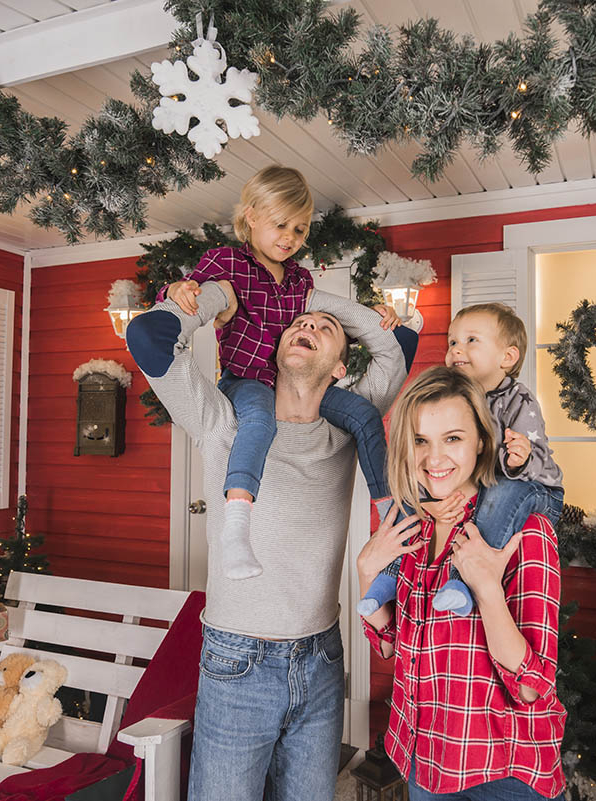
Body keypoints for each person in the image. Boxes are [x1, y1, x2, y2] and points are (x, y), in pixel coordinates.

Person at [126, 279, 408, 801]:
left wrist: (306, 301)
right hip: (238, 663)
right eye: (299, 324)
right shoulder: (221, 420)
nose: (307, 326)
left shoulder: (345, 430)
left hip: (321, 658)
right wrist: (214, 297)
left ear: (341, 369)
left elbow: (403, 342)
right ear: (273, 352)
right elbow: (146, 336)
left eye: (324, 330)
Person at [162, 164, 411, 580]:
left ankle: (392, 516)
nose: (290, 239)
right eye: (281, 225)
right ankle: (237, 526)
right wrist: (176, 291)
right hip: (247, 381)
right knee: (258, 423)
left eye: (300, 230)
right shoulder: (228, 263)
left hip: (295, 382)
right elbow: (187, 293)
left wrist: (379, 315)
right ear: (251, 217)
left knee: (366, 416)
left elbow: (337, 318)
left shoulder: (299, 278)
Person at [358, 366, 566, 801]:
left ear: (482, 442)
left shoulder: (522, 532)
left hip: (503, 773)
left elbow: (530, 686)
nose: (434, 460)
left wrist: (487, 589)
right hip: (425, 763)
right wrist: (366, 573)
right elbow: (391, 645)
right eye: (420, 441)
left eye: (452, 438)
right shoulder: (410, 529)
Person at [357, 302, 565, 617]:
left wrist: (518, 459)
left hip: (529, 488)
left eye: (471, 341)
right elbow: (389, 645)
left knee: (501, 491)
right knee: (407, 501)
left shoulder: (518, 400)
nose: (456, 349)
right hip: (483, 487)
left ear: (507, 357)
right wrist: (426, 503)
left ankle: (461, 582)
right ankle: (389, 576)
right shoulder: (456, 402)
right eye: (452, 342)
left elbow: (536, 459)